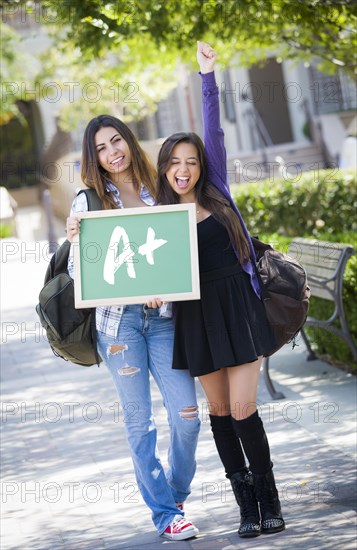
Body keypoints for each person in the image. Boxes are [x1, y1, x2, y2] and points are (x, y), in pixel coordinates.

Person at [154, 41, 286, 539]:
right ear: (165, 169)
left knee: (243, 408)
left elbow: (214, 128)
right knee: (218, 414)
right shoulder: (162, 217)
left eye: (190, 161)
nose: (183, 169)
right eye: (174, 163)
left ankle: (270, 499)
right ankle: (246, 506)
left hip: (237, 305)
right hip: (195, 316)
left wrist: (207, 77)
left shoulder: (217, 191)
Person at [66, 114, 200, 541]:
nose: (112, 152)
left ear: (129, 141)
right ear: (94, 157)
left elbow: (173, 255)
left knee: (188, 417)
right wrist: (73, 239)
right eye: (101, 148)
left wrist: (163, 287)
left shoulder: (158, 191)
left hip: (161, 322)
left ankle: (174, 494)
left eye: (117, 141)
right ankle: (165, 514)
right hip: (118, 327)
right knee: (139, 423)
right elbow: (79, 271)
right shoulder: (87, 201)